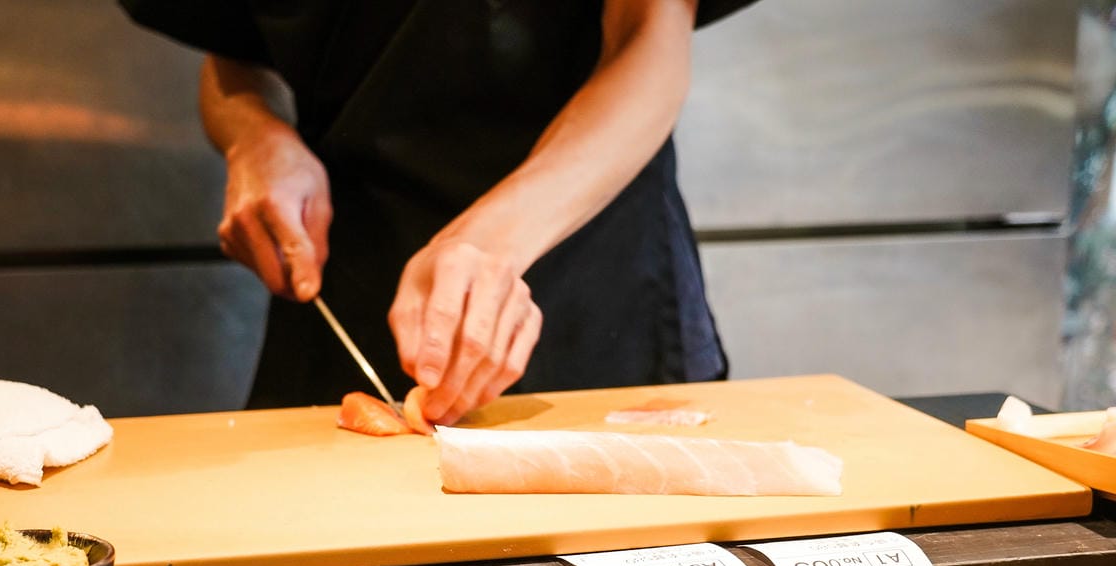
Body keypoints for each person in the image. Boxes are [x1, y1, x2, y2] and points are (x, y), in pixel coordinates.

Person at [119, 1, 755, 424]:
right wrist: (254, 136)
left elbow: (650, 32)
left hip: (598, 267)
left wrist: (494, 240)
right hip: (346, 269)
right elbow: (234, 50)